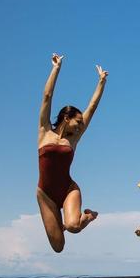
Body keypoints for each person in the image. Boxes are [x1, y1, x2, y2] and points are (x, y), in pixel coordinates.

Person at [37, 53, 108, 252]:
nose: (80, 127)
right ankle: (61, 222)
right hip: (45, 194)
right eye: (78, 122)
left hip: (68, 189)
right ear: (67, 118)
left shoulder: (73, 139)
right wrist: (56, 68)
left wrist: (101, 82)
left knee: (73, 226)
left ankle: (89, 215)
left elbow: (92, 108)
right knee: (58, 246)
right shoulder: (44, 132)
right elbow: (46, 97)